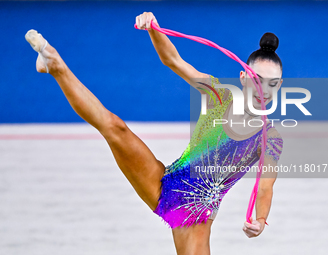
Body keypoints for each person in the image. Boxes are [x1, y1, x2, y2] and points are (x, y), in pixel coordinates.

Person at [25, 11, 283, 255]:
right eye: (257, 79)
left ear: (280, 85)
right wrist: (153, 28)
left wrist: (260, 220)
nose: (264, 89)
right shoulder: (220, 95)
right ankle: (56, 65)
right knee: (115, 128)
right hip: (162, 183)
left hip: (195, 218)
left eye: (272, 83)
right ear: (243, 76)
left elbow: (265, 186)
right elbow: (173, 60)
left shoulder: (270, 138)